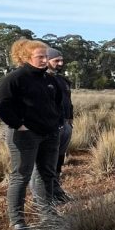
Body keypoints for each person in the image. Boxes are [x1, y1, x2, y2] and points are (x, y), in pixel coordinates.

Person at [0, 39, 64, 230]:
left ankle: (47, 213)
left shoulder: (50, 79)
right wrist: (19, 125)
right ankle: (17, 220)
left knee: (46, 174)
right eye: (39, 57)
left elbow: (57, 104)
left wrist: (57, 123)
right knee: (20, 177)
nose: (44, 60)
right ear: (25, 58)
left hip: (50, 134)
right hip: (25, 136)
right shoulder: (15, 78)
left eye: (45, 56)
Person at [33, 47, 74, 203]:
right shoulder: (40, 79)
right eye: (56, 60)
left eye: (61, 60)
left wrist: (70, 120)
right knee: (46, 162)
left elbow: (68, 102)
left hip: (65, 125)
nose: (61, 63)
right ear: (46, 60)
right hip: (49, 127)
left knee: (59, 159)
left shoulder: (62, 80)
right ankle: (45, 197)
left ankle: (56, 190)